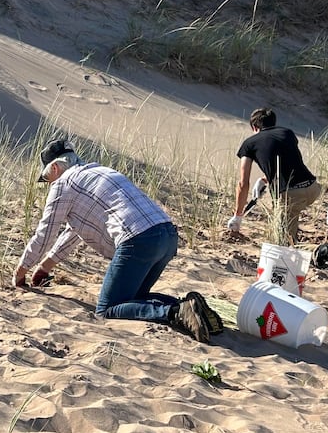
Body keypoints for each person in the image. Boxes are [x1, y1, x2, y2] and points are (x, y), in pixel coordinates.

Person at [15, 139, 222, 342]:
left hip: (138, 241)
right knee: (133, 298)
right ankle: (193, 308)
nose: (48, 183)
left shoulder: (62, 184)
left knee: (107, 308)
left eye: (46, 177)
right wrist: (44, 267)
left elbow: (45, 232)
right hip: (167, 236)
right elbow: (74, 231)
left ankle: (175, 312)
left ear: (55, 168)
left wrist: (21, 270)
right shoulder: (97, 172)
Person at [226, 108, 323, 244]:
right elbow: (288, 161)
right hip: (313, 188)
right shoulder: (287, 133)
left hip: (291, 195)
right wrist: (265, 180)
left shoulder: (249, 144)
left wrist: (238, 215)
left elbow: (243, 183)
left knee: (283, 243)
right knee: (287, 222)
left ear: (254, 127)